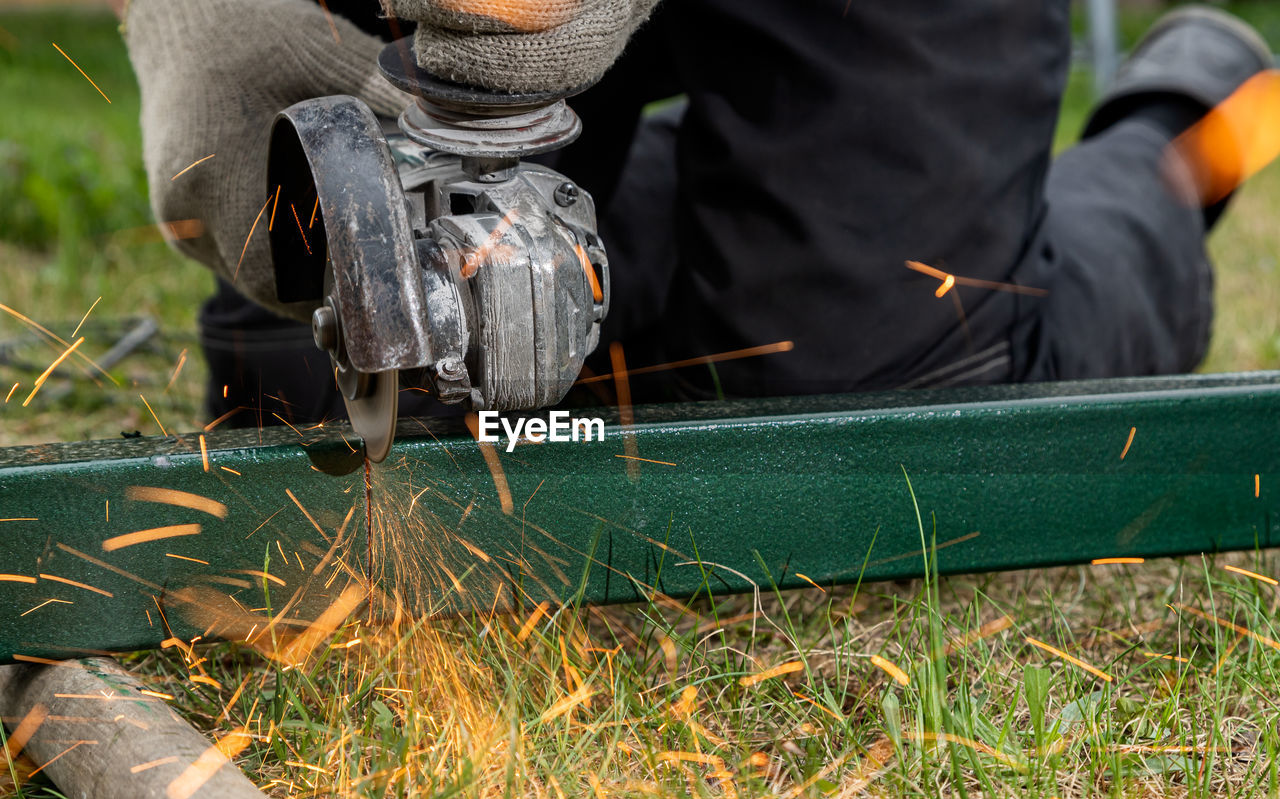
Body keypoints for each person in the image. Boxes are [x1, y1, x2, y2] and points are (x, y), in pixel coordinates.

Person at [116, 0, 1274, 427]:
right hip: (451, 55)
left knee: (861, 407)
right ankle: (589, 228)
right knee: (303, 394)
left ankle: (1175, 137)